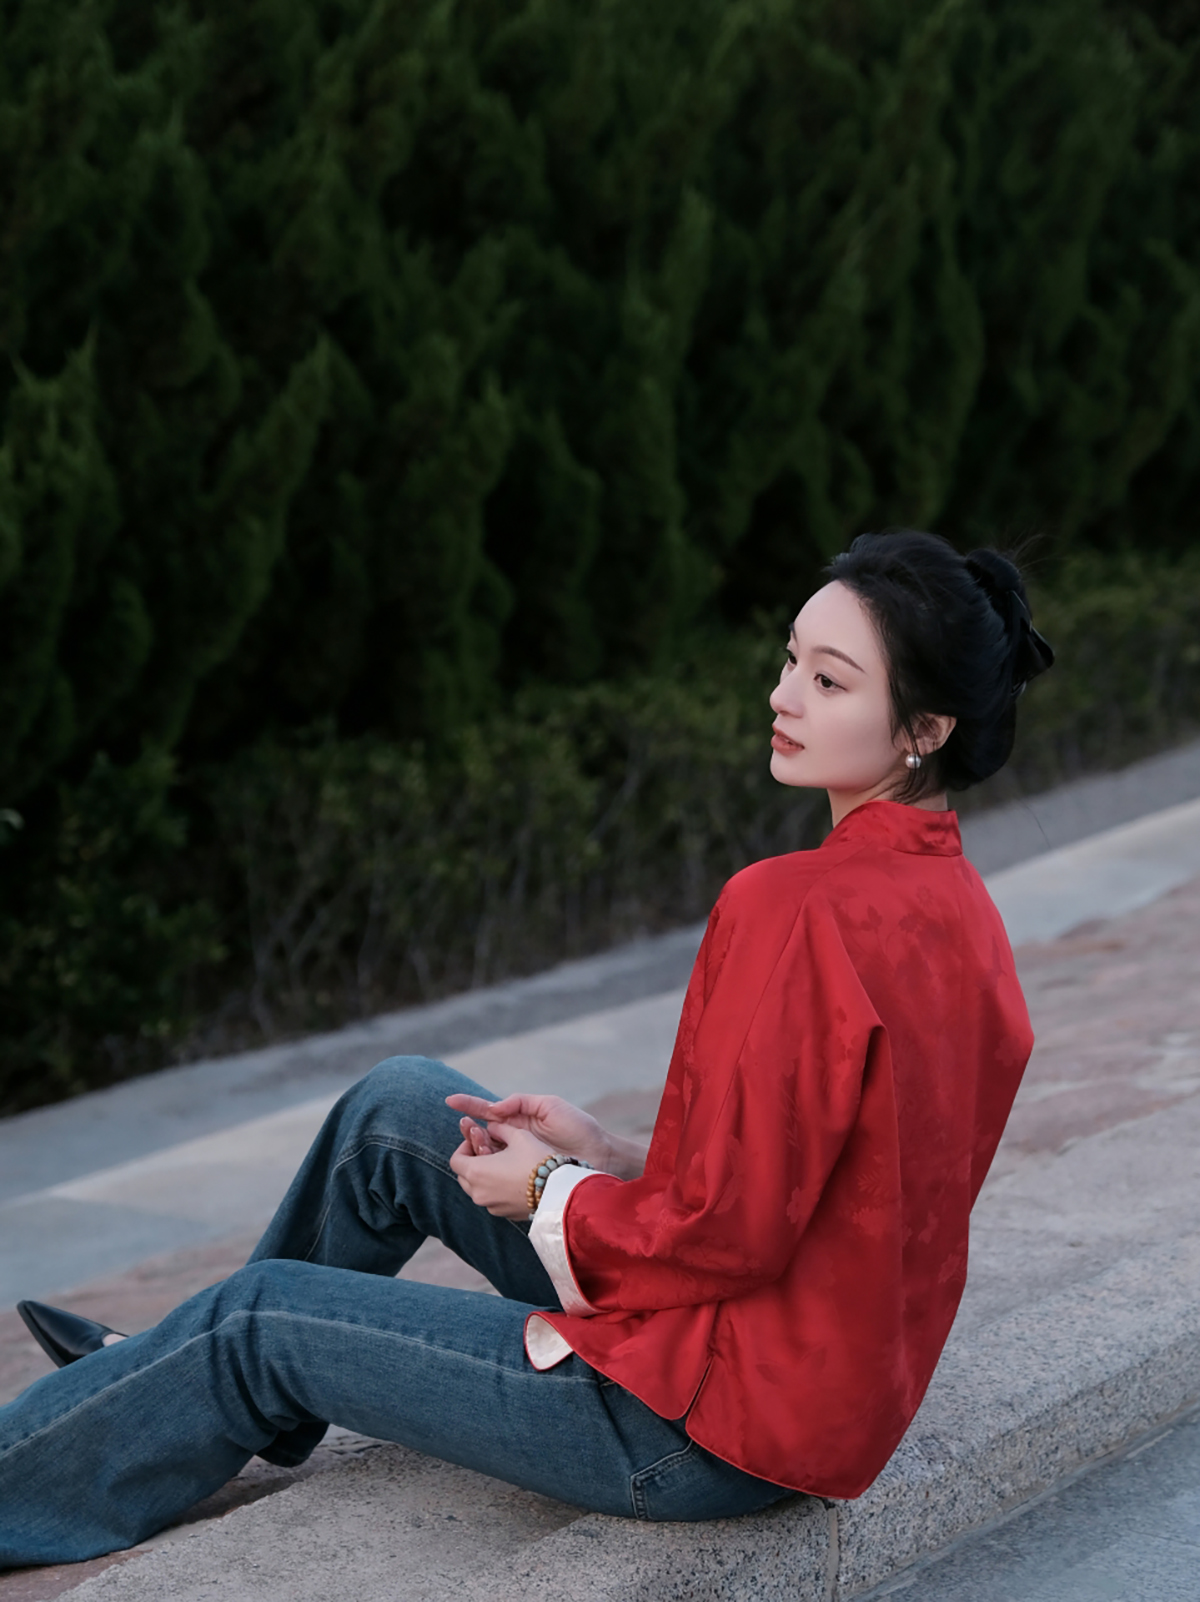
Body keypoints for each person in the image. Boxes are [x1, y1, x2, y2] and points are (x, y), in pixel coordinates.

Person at [1, 529, 1053, 1565]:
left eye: (829, 682)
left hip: (697, 1422)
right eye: (790, 660)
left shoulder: (796, 905)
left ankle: (150, 1392)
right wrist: (612, 1156)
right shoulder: (964, 912)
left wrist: (554, 1191)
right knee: (398, 1109)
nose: (783, 697)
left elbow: (732, 1234)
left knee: (256, 1318)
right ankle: (166, 1385)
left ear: (925, 727)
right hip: (811, 1389)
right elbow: (832, 1184)